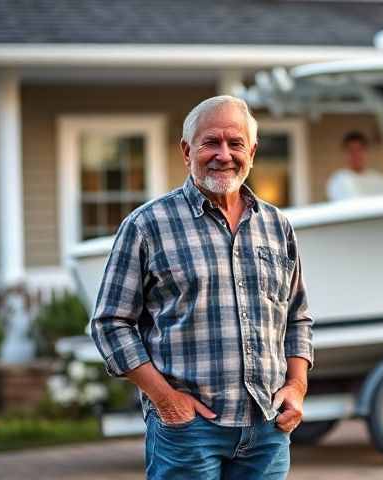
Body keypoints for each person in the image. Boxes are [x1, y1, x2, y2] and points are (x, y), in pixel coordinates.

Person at [90, 95, 313, 480]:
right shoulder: (147, 225)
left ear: (252, 151)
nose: (223, 154)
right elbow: (110, 323)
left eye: (235, 143)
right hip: (188, 432)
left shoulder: (278, 226)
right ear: (186, 150)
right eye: (211, 142)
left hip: (268, 429)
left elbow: (297, 318)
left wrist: (296, 386)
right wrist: (166, 400)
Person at [326, 130, 383, 201]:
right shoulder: (339, 180)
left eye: (359, 150)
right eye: (351, 150)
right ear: (345, 154)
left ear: (366, 152)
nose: (356, 155)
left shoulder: (377, 178)